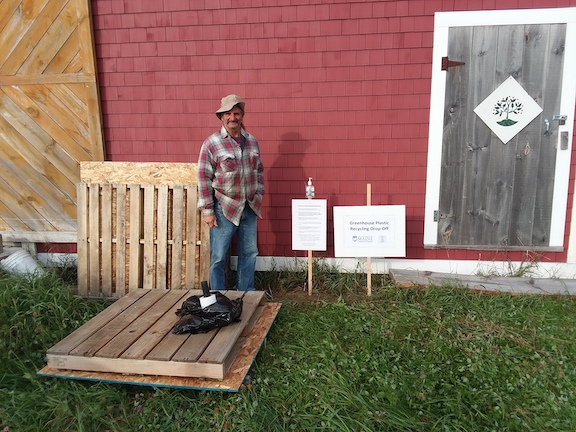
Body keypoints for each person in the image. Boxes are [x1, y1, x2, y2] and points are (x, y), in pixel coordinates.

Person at [197, 95, 264, 291]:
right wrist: (207, 211)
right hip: (224, 208)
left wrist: (259, 193)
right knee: (218, 257)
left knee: (249, 253)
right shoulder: (212, 143)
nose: (232, 117)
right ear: (221, 117)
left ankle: (245, 295)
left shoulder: (252, 141)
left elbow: (259, 170)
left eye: (236, 113)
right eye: (228, 114)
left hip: (250, 207)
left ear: (242, 116)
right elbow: (203, 177)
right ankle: (218, 297)